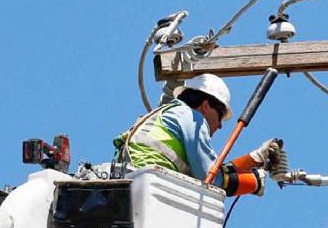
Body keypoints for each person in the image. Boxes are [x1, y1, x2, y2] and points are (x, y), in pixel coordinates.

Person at [114, 74, 280, 196]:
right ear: (206, 105)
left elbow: (215, 170)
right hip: (153, 188)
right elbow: (212, 179)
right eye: (220, 115)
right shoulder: (193, 119)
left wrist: (254, 159)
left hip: (130, 186)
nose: (220, 125)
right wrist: (255, 182)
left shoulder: (168, 114)